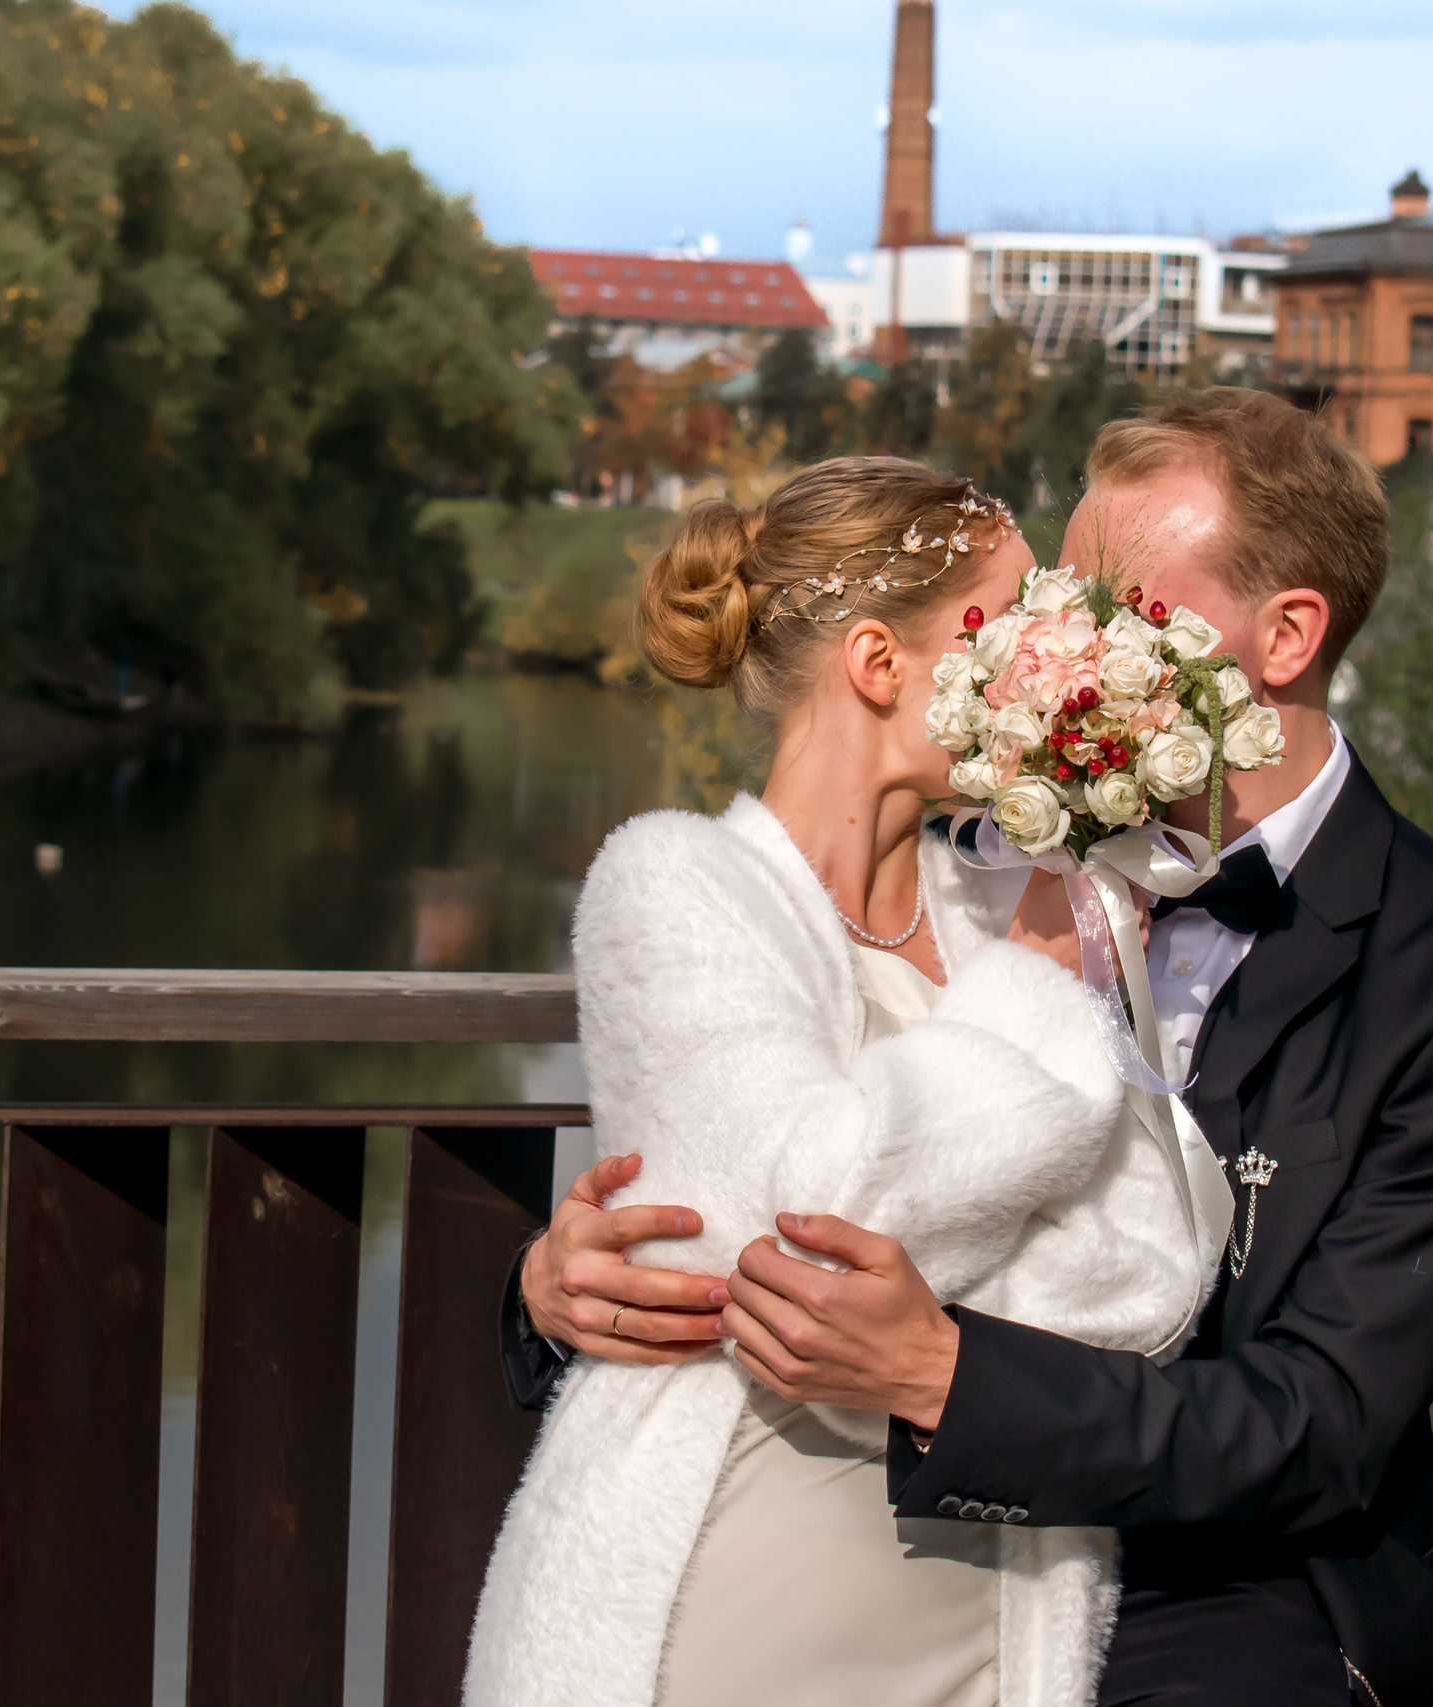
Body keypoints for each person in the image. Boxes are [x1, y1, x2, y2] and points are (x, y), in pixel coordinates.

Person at [506, 389, 1433, 1706]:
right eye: (1040, 607)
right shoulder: (971, 858)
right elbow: (766, 1174)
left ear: (1288, 635)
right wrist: (564, 1291)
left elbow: (1317, 1417)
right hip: (888, 1530)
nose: (1046, 646)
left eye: (1105, 608)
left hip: (1227, 1570)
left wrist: (953, 1374)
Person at [465, 460, 1223, 1707]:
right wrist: (1037, 1010)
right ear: (878, 664)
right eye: (1009, 628)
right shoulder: (672, 886)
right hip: (725, 1608)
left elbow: (1151, 1274)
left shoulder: (1010, 903)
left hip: (994, 1624)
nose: (1053, 661)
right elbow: (810, 1222)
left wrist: (917, 1303)